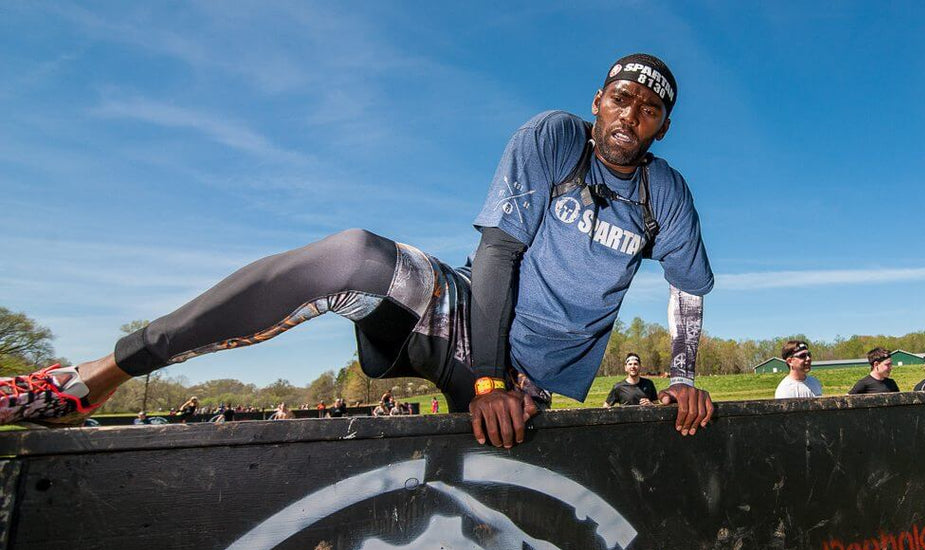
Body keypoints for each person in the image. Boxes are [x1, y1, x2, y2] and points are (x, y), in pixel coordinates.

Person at [0, 53, 714, 448]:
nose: (630, 114)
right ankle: (96, 376)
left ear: (662, 127)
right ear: (597, 101)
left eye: (648, 110)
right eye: (620, 98)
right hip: (465, 323)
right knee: (355, 255)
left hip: (531, 382)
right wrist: (489, 375)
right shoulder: (554, 137)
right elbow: (498, 250)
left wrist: (682, 376)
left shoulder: (666, 194)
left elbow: (687, 288)